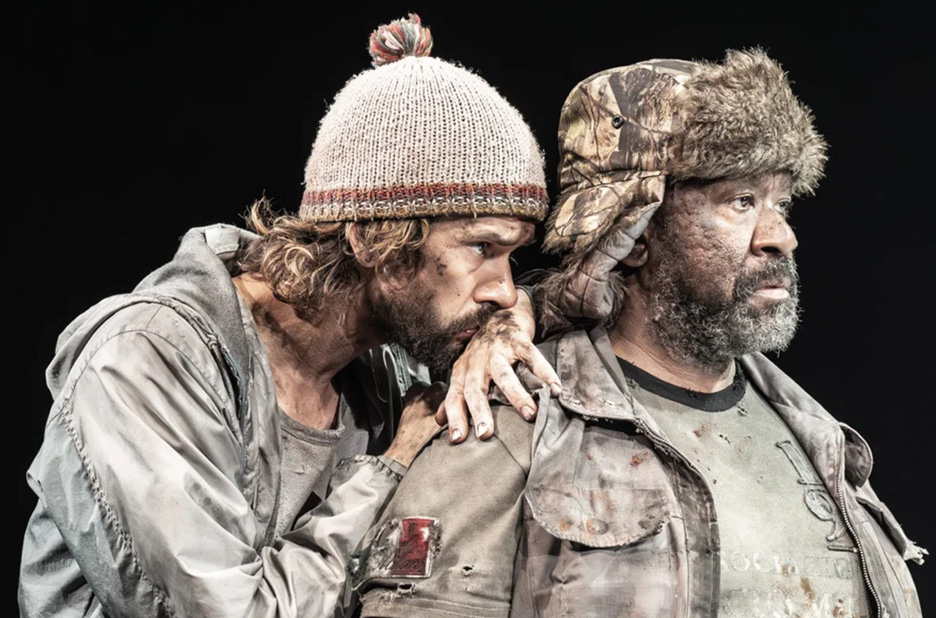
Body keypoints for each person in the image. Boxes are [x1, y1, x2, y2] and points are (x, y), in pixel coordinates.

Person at [18, 14, 561, 618]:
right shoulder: (147, 358)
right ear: (373, 241)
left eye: (513, 255)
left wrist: (510, 330)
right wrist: (390, 467)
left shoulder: (382, 368)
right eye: (483, 248)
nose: (505, 290)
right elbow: (235, 611)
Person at [354, 50, 926, 618]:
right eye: (741, 202)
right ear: (633, 232)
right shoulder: (507, 425)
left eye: (781, 203)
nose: (780, 236)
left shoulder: (820, 439)